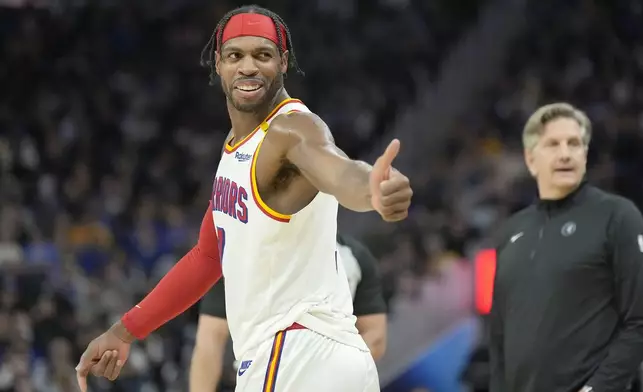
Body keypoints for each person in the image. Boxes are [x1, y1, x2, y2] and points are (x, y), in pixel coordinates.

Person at [75, 5, 413, 392]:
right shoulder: (238, 148)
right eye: (236, 55)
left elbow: (337, 169)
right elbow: (207, 256)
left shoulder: (292, 128)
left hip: (294, 353)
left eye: (263, 55)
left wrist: (373, 187)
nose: (248, 67)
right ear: (218, 64)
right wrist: (124, 331)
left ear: (283, 62)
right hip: (321, 358)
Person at [489, 102, 643, 392]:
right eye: (553, 144)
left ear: (585, 154)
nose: (565, 154)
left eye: (574, 144)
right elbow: (499, 339)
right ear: (530, 158)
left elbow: (639, 321)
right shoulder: (509, 232)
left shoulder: (617, 216)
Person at [190, 233, 389, 392]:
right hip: (334, 374)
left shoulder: (239, 254)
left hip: (262, 373)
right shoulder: (352, 256)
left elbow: (210, 339)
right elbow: (375, 338)